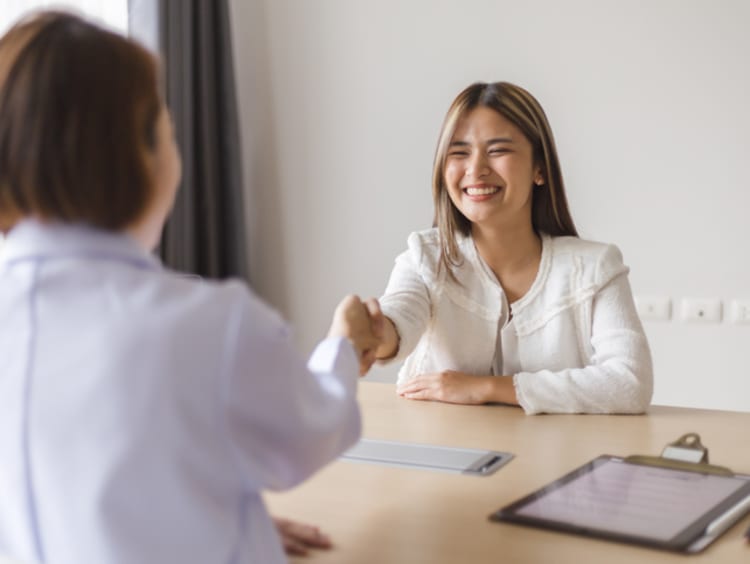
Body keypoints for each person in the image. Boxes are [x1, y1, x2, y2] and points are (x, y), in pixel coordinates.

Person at [0, 11, 379, 563]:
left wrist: (201, 513)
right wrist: (342, 346)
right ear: (142, 156)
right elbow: (312, 432)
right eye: (167, 128)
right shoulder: (206, 326)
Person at [370, 81, 653, 414]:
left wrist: (486, 388)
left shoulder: (594, 268)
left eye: (497, 150)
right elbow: (397, 319)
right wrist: (372, 333)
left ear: (540, 169)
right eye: (459, 152)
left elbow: (629, 383)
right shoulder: (424, 257)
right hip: (441, 457)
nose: (475, 170)